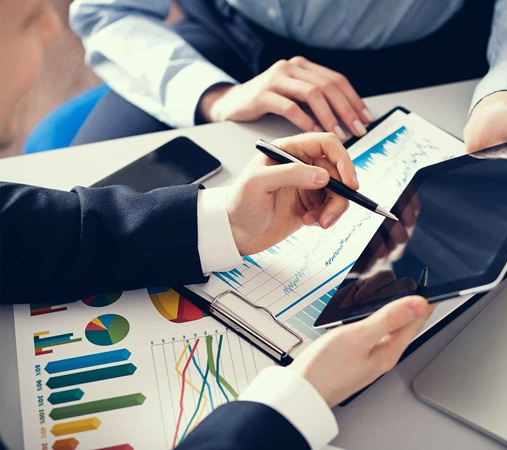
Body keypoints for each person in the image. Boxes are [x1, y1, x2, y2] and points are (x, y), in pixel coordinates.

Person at [0, 1, 433, 449]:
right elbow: (106, 12)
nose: (53, 26)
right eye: (26, 18)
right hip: (220, 37)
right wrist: (293, 405)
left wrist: (223, 222)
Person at [69, 0, 507, 152]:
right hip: (232, 41)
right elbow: (107, 12)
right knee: (89, 185)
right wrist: (213, 96)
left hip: (434, 50)